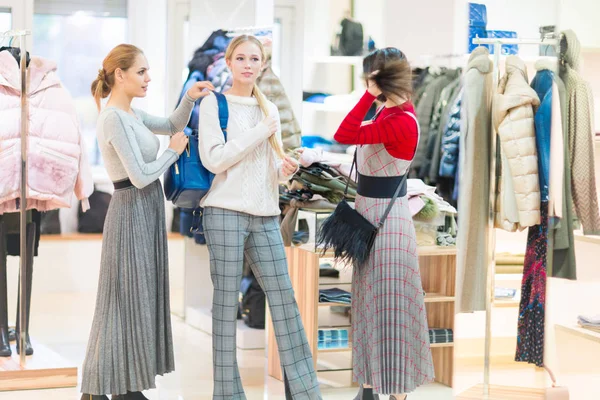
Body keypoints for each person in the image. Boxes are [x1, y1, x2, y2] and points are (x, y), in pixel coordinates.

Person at [80, 43, 213, 400]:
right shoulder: (112, 118)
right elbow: (139, 176)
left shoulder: (132, 114)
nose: (148, 78)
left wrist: (189, 97)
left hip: (146, 209)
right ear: (119, 75)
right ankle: (118, 387)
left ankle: (112, 386)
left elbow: (171, 124)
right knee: (125, 300)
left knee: (134, 298)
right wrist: (172, 150)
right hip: (130, 210)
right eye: (141, 71)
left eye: (148, 71)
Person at [198, 35, 322, 400]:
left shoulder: (269, 108)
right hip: (223, 213)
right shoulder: (213, 105)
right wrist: (257, 134)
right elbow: (214, 160)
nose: (248, 65)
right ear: (229, 63)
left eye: (255, 59)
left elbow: (269, 167)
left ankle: (305, 393)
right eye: (241, 58)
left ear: (263, 64)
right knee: (224, 307)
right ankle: (228, 395)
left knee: (285, 301)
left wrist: (284, 168)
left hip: (266, 213)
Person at [333, 47, 434, 400]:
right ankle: (372, 385)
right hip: (371, 219)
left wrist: (367, 95)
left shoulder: (400, 121)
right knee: (369, 306)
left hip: (387, 226)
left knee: (390, 309)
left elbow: (344, 134)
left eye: (371, 77)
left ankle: (395, 391)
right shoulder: (387, 112)